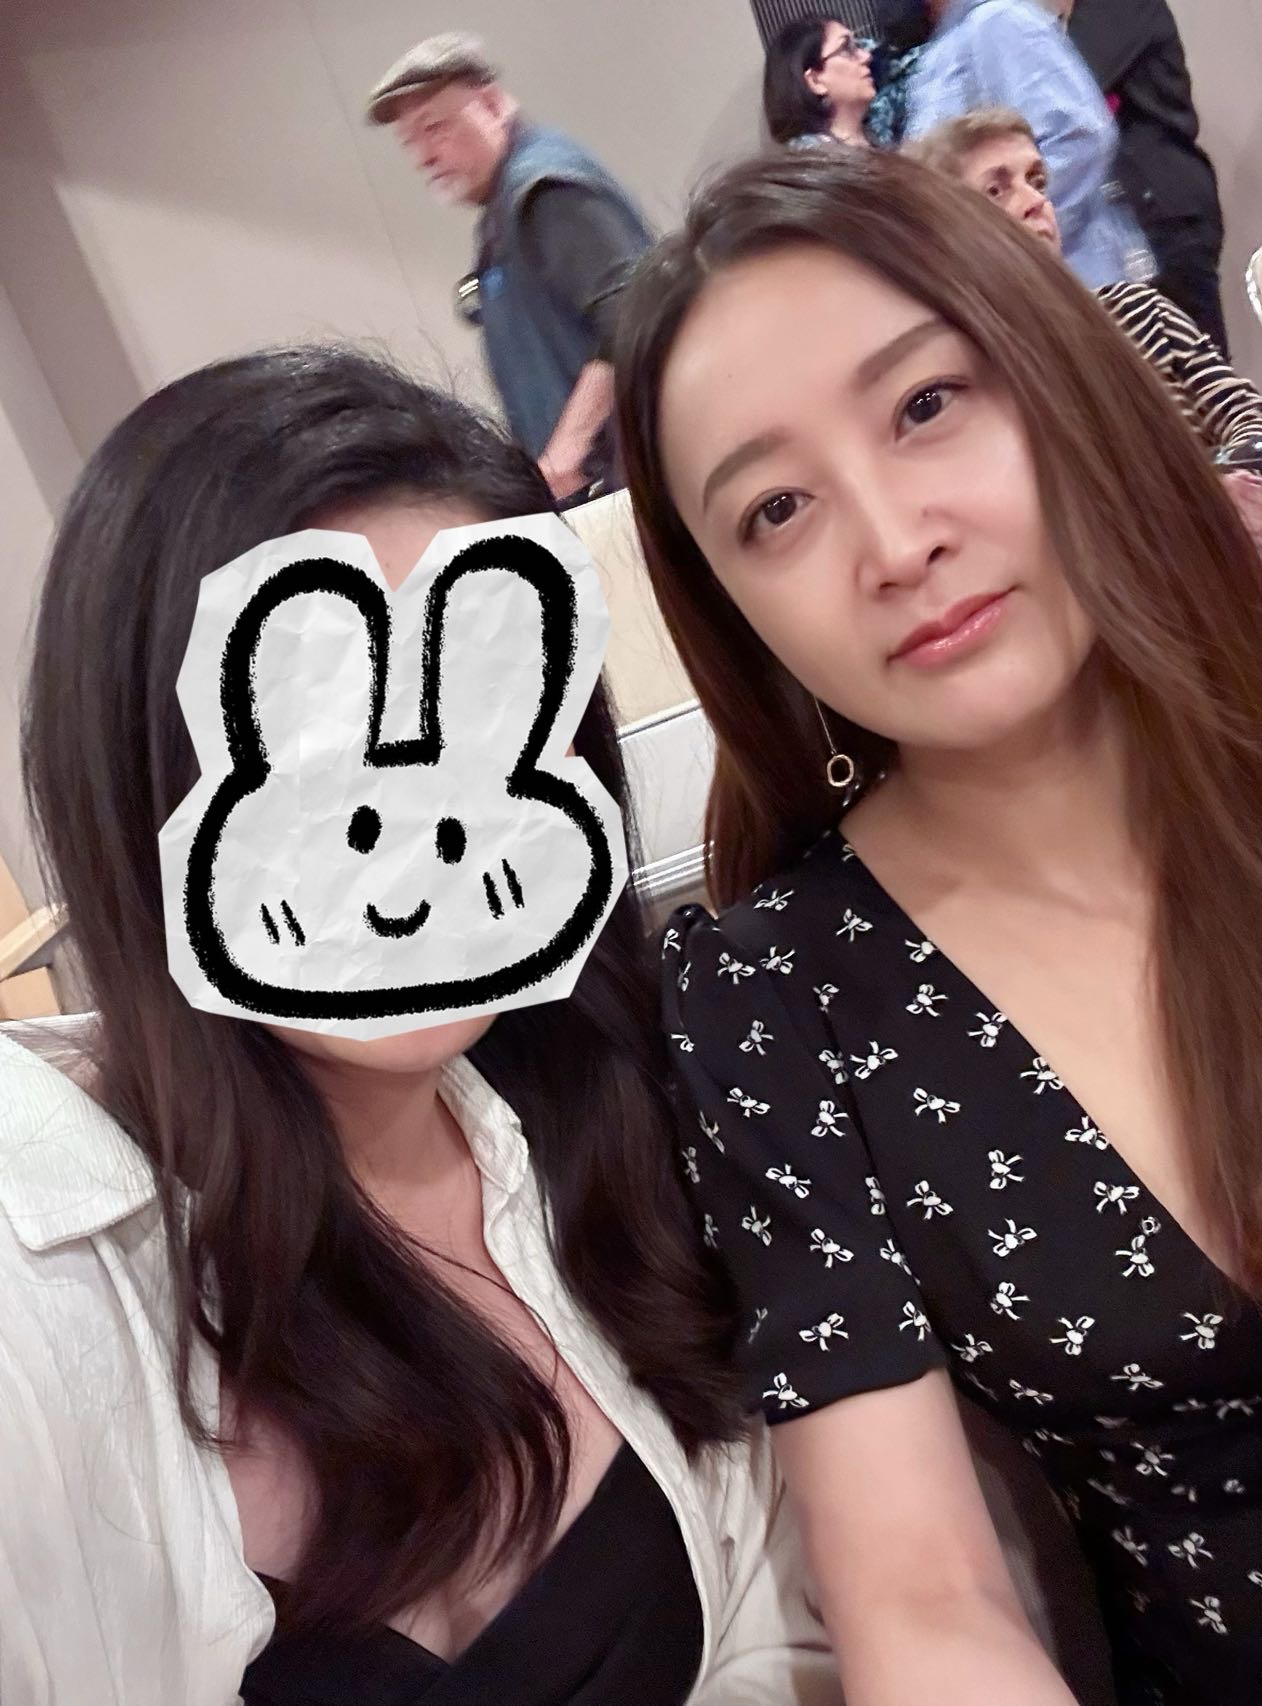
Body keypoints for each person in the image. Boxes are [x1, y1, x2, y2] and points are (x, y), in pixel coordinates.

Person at [0, 345, 841, 1706]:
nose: (407, 847)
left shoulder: (614, 1103)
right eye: (321, 744)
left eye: (482, 729)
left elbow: (774, 1599)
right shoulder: (36, 1279)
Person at [614, 146, 1262, 1703]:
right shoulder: (769, 996)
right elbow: (920, 1598)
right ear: (730, 605)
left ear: (1050, 377)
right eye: (775, 508)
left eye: (923, 405)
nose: (892, 539)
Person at [908, 107, 1262, 555]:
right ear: (946, 238)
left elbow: (1251, 418)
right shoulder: (974, 388)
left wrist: (1232, 482)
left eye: (1037, 181)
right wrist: (1203, 508)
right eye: (996, 191)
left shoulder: (1137, 310)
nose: (1034, 201)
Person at [366, 33, 651, 505]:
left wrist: (566, 454)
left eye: (434, 128)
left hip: (628, 489)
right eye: (409, 141)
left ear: (493, 105)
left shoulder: (546, 189)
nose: (423, 157)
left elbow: (636, 312)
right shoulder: (502, 208)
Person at [904, 0, 1147, 289]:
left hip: (1073, 281)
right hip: (999, 294)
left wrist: (1013, 238)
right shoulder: (936, 56)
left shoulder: (998, 22)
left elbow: (1078, 140)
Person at [1065, 0, 1228, 356]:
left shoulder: (1112, 8)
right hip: (1144, 218)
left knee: (1198, 375)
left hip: (1161, 215)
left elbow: (1068, 93)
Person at [763, 17, 877, 147]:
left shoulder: (879, 137)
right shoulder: (810, 157)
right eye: (845, 49)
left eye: (857, 46)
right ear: (815, 81)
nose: (866, 56)